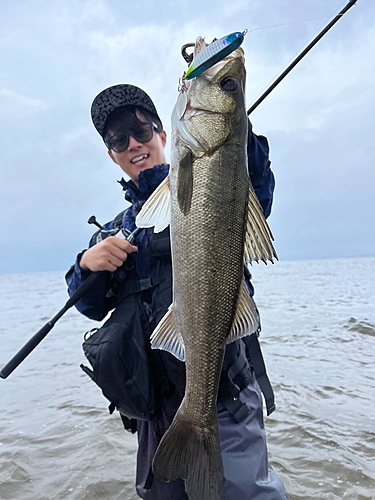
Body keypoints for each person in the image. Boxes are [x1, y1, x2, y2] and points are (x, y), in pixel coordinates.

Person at [66, 83, 288, 500]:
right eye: (118, 139)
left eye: (142, 131)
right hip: (157, 412)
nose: (133, 144)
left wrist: (232, 119)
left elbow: (256, 182)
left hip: (225, 398)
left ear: (164, 134)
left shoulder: (218, 178)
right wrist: (85, 264)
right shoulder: (115, 233)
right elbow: (90, 306)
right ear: (111, 153)